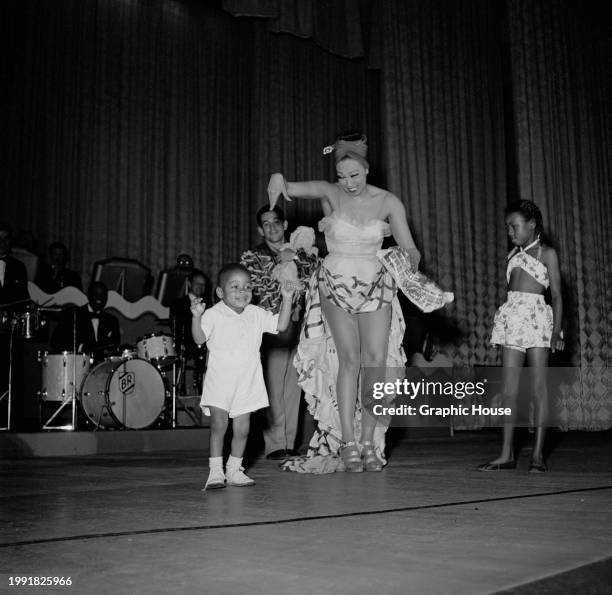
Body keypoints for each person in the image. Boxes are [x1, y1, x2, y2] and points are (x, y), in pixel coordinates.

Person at [267, 132, 421, 473]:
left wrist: (410, 262)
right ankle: (348, 441)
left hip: (375, 283)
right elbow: (288, 185)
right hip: (335, 282)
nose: (348, 183)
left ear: (367, 169)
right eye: (342, 176)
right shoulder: (330, 191)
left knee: (376, 362)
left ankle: (369, 440)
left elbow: (410, 247)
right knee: (350, 361)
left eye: (354, 175)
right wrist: (278, 181)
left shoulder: (389, 202)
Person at [192, 263, 295, 490]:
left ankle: (234, 469)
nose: (242, 291)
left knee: (242, 429)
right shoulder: (213, 314)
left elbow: (281, 324)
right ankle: (216, 471)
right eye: (235, 286)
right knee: (219, 425)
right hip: (220, 382)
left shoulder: (255, 314)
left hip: (247, 383)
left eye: (247, 286)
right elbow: (199, 339)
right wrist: (196, 317)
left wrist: (287, 298)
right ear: (220, 292)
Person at [479, 199, 564, 473]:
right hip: (513, 320)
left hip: (538, 320)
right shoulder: (513, 256)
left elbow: (558, 297)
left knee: (540, 389)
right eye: (507, 228)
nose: (511, 232)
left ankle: (538, 455)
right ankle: (506, 454)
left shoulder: (547, 253)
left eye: (515, 226)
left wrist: (556, 332)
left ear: (532, 225)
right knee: (509, 391)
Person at [240, 206, 318, 459]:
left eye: (276, 222)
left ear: (285, 225)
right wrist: (284, 269)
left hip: (303, 326)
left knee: (295, 386)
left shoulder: (304, 253)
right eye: (266, 224)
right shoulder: (253, 256)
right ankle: (275, 445)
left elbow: (312, 283)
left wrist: (294, 264)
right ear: (260, 229)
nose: (272, 227)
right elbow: (256, 289)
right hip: (272, 327)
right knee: (274, 387)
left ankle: (287, 443)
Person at [0, 221, 30, 427]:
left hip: (9, 335)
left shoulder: (18, 267)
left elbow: (23, 300)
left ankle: (8, 421)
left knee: (10, 377)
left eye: (6, 238)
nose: (2, 243)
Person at [51, 281, 121, 363]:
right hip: (77, 365)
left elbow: (114, 345)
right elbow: (56, 341)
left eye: (102, 295)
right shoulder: (73, 315)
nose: (99, 298)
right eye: (95, 294)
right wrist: (81, 348)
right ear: (88, 295)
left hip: (103, 367)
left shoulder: (112, 320)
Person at [169, 268, 212, 393]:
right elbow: (175, 327)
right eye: (198, 283)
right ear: (189, 284)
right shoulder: (178, 303)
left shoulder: (208, 304)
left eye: (203, 285)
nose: (200, 287)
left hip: (205, 348)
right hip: (186, 348)